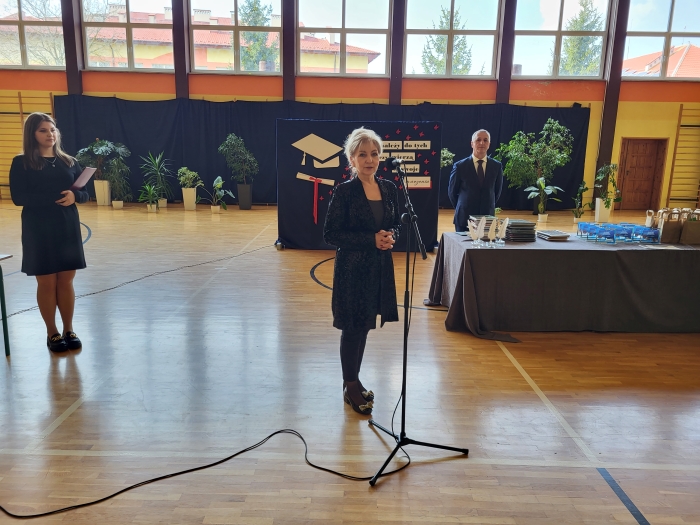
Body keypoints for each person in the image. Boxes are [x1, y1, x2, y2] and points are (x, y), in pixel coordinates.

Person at [323, 127, 402, 416]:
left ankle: (354, 380)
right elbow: (331, 234)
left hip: (378, 268)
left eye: (374, 154)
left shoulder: (389, 188)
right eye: (363, 155)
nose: (370, 160)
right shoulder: (344, 192)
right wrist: (371, 240)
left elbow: (396, 223)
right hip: (352, 270)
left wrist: (391, 236)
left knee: (365, 324)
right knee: (352, 327)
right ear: (352, 160)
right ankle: (350, 385)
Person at [9, 113, 90, 353]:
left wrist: (76, 196)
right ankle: (52, 332)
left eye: (52, 129)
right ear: (32, 134)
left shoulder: (69, 161)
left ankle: (68, 329)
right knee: (46, 282)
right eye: (43, 130)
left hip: (67, 225)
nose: (50, 134)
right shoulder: (22, 162)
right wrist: (53, 198)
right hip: (38, 227)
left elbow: (85, 194)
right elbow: (18, 198)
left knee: (66, 280)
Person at [448, 129, 504, 232]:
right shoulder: (460, 166)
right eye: (478, 140)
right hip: (464, 219)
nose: (482, 143)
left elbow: (497, 192)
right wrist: (463, 206)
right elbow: (452, 192)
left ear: (489, 144)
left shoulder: (496, 166)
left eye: (485, 140)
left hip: (487, 219)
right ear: (472, 144)